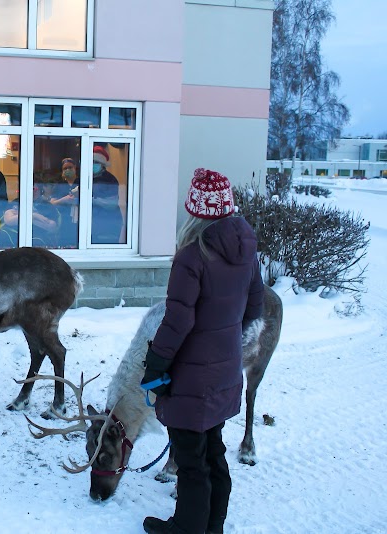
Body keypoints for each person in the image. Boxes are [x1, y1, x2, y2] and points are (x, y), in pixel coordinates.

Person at [140, 168, 264, 534]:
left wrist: (156, 368)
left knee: (192, 462)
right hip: (225, 373)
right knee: (213, 452)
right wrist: (226, 345)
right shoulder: (247, 252)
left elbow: (176, 322)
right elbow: (254, 309)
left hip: (190, 379)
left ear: (194, 212)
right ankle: (212, 526)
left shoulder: (192, 257)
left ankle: (186, 529)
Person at [91, 146, 124, 244]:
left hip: (108, 223)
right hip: (94, 224)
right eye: (92, 162)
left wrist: (92, 199)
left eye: (96, 163)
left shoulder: (109, 180)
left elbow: (111, 203)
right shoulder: (88, 177)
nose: (93, 165)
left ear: (103, 164)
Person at [50, 157, 80, 248]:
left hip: (79, 219)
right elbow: (52, 202)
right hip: (64, 219)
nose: (68, 170)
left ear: (75, 168)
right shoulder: (60, 185)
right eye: (65, 168)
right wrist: (64, 200)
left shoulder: (81, 182)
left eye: (70, 167)